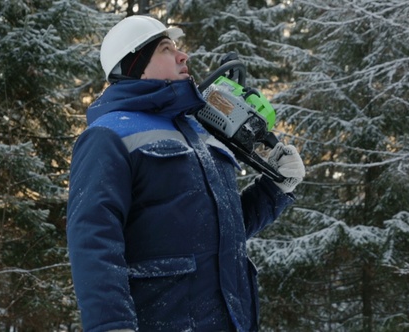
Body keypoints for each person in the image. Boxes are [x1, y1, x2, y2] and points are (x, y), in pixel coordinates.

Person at [66, 15, 305, 332]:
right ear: (135, 64)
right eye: (166, 49)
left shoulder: (198, 132)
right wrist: (111, 324)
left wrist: (275, 190)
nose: (183, 56)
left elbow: (220, 229)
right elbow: (93, 239)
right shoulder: (107, 135)